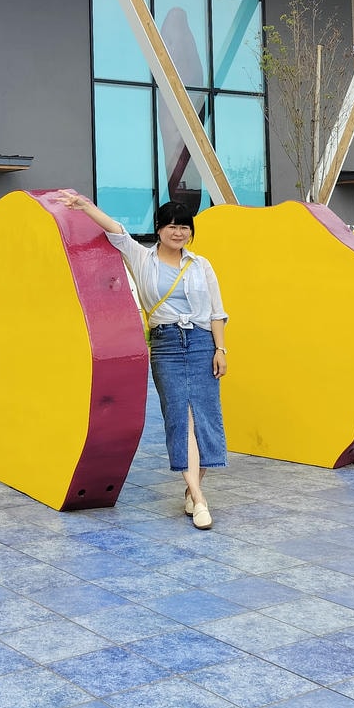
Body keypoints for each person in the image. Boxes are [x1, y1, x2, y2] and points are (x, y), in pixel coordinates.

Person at [58, 190, 228, 530]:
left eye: (184, 227)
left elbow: (216, 312)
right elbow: (117, 231)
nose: (178, 232)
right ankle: (199, 499)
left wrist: (220, 350)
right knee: (180, 419)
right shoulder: (142, 258)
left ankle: (193, 490)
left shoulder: (201, 265)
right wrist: (84, 206)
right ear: (159, 228)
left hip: (201, 344)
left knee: (205, 419)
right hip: (166, 345)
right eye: (172, 226)